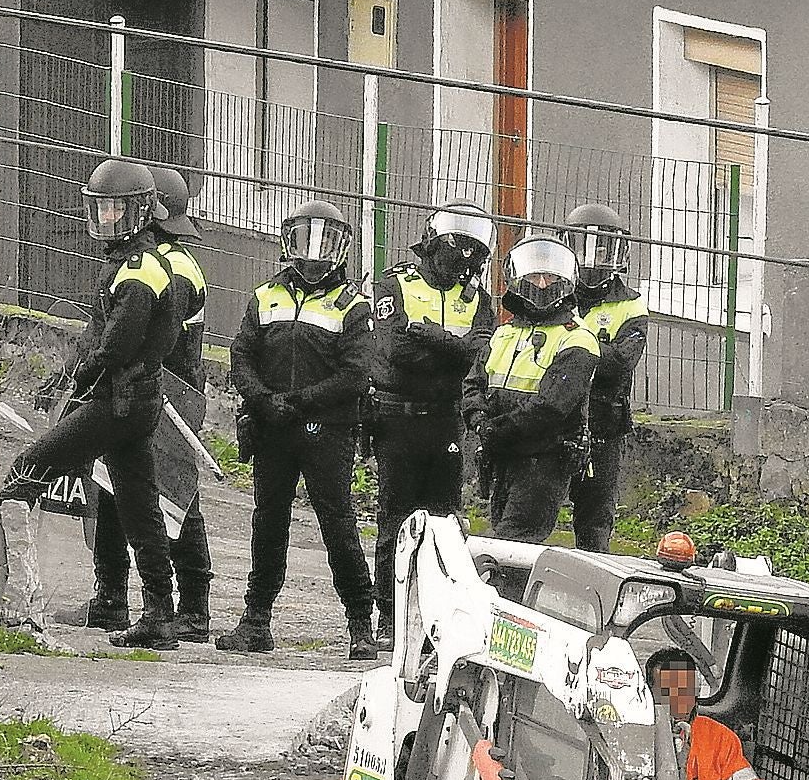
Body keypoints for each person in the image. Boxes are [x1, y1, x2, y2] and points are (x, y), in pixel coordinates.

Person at [0, 159, 180, 648]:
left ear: (142, 211)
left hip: (117, 401)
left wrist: (75, 380)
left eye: (116, 209)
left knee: (29, 467)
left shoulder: (138, 271)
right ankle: (160, 616)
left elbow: (114, 346)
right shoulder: (138, 263)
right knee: (138, 505)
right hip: (134, 401)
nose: (106, 218)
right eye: (101, 208)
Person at [52, 166, 216, 645]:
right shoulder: (142, 259)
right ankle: (112, 597)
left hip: (170, 390)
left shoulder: (172, 266)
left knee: (176, 499)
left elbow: (142, 335)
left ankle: (194, 608)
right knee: (110, 490)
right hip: (138, 389)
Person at [220, 199, 378, 660]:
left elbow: (355, 373)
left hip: (326, 431)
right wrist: (263, 401)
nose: (313, 253)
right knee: (268, 524)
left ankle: (360, 624)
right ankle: (256, 621)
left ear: (342, 248)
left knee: (338, 525)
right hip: (272, 427)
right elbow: (241, 356)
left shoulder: (353, 305)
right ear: (288, 242)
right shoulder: (265, 296)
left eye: (324, 240)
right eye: (305, 239)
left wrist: (299, 402)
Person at [370, 201, 497, 641]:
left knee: (445, 522)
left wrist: (434, 337)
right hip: (398, 418)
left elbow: (483, 354)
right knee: (396, 521)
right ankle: (388, 616)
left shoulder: (479, 301)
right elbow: (396, 353)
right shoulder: (396, 284)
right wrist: (454, 351)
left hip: (447, 421)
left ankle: (437, 616)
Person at [461, 236, 599, 544]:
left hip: (543, 462)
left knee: (512, 544)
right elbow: (473, 384)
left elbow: (551, 407)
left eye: (549, 276)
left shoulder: (578, 339)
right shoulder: (505, 333)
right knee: (501, 542)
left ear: (564, 281)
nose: (540, 283)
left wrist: (494, 429)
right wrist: (479, 420)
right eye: (534, 275)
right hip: (501, 456)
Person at [562, 203, 648, 553]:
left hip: (604, 425)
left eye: (602, 247)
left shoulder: (631, 305)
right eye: (583, 245)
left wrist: (575, 349)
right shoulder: (555, 293)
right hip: (556, 419)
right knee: (536, 512)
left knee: (595, 522)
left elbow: (620, 364)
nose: (593, 258)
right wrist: (599, 349)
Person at [647, 648, 783, 780]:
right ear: (649, 693)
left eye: (684, 689)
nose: (678, 699)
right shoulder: (635, 736)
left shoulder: (719, 738)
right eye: (668, 690)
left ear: (696, 690)